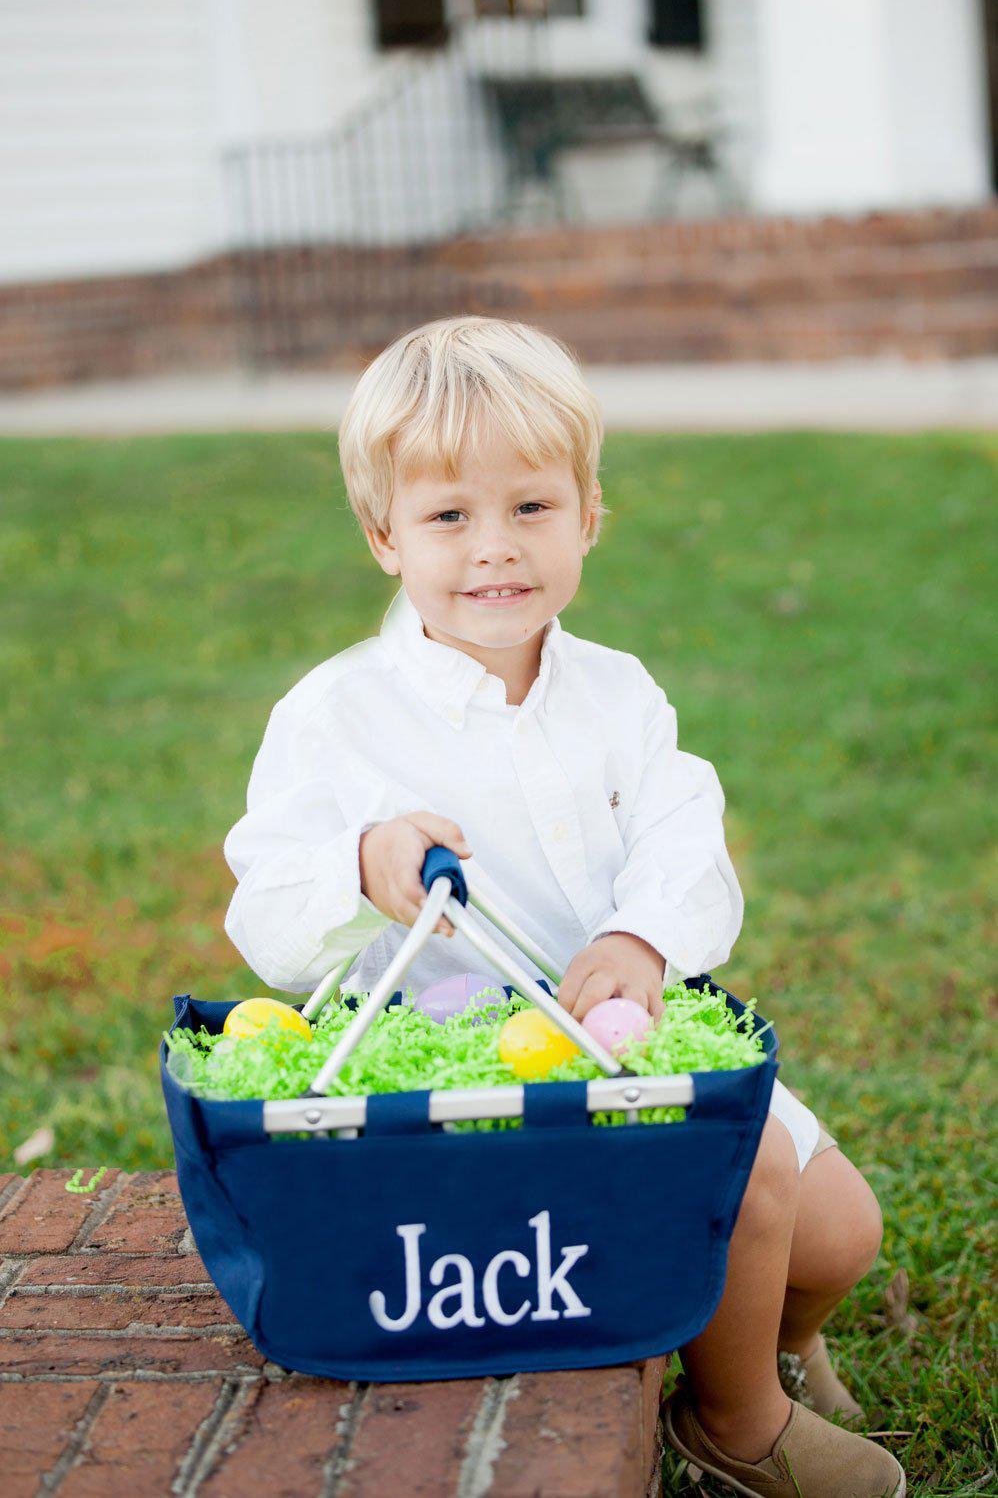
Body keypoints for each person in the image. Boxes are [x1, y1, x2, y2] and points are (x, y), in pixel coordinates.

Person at [222, 315, 904, 1497]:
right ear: (384, 536)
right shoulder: (336, 715)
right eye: (448, 517)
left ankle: (777, 1336)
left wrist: (639, 937)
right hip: (449, 1066)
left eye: (530, 508)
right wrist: (359, 862)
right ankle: (733, 1421)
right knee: (738, 1187)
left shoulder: (618, 696)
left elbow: (683, 838)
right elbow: (266, 913)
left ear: (588, 516)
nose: (495, 550)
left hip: (627, 1026)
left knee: (841, 1238)